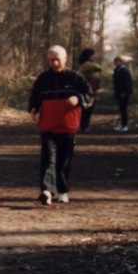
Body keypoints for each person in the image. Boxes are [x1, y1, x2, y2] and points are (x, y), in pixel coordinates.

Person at [28, 45, 93, 205]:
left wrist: (78, 99)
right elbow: (35, 98)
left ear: (65, 59)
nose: (54, 63)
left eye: (57, 59)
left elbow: (89, 96)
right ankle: (46, 190)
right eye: (51, 60)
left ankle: (63, 191)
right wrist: (34, 110)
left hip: (67, 126)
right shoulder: (43, 78)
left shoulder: (75, 77)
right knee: (48, 158)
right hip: (48, 126)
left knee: (64, 160)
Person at [77, 48, 103, 133]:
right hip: (88, 88)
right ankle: (84, 126)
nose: (94, 57)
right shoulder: (87, 64)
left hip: (88, 88)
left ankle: (84, 125)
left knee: (87, 106)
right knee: (88, 106)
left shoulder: (85, 65)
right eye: (92, 55)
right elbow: (99, 67)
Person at [113, 54, 133, 131]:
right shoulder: (119, 70)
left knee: (123, 109)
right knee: (121, 109)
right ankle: (122, 124)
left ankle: (125, 125)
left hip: (124, 93)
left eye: (118, 61)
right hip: (120, 93)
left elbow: (127, 83)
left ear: (121, 62)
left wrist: (124, 92)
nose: (116, 63)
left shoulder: (124, 71)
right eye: (115, 61)